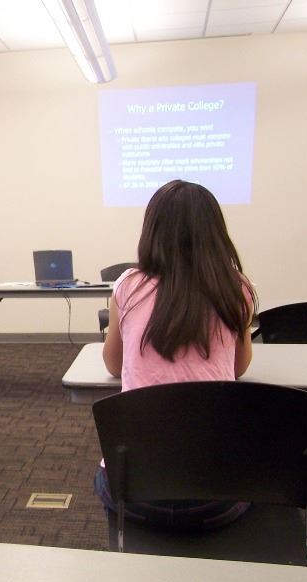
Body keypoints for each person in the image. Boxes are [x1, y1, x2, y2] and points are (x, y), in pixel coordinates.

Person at [95, 179, 257, 530]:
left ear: (152, 230)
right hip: (217, 495)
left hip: (134, 492)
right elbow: (239, 367)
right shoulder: (236, 288)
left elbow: (112, 363)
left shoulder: (128, 285)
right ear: (216, 232)